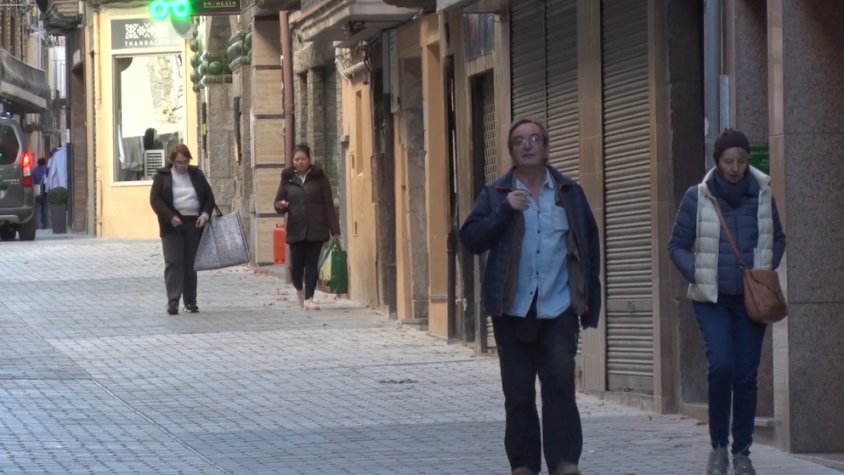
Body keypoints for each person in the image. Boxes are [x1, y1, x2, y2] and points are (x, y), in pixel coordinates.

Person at [460, 119, 601, 475]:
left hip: (558, 308)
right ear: (511, 151)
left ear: (546, 146)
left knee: (559, 387)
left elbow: (589, 246)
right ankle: (523, 464)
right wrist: (505, 210)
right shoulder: (495, 193)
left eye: (534, 139)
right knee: (519, 394)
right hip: (513, 310)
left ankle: (565, 461)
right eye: (520, 141)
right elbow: (472, 239)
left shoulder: (568, 192)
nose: (528, 145)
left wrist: (589, 302)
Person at [668, 129, 786, 475]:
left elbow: (778, 236)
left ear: (748, 162)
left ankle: (742, 452)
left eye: (741, 161)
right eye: (728, 161)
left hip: (751, 300)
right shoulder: (697, 197)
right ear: (717, 162)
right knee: (721, 367)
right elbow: (675, 245)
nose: (735, 168)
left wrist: (766, 268)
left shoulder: (763, 195)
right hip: (712, 299)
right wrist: (697, 273)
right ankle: (718, 447)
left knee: (746, 376)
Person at [150, 144, 216, 315]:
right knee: (173, 262)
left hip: (193, 223)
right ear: (172, 161)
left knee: (190, 264)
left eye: (186, 162)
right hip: (171, 225)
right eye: (179, 162)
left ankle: (191, 302)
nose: (183, 166)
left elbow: (209, 197)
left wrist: (205, 215)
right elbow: (155, 200)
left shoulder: (196, 174)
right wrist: (170, 216)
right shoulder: (162, 176)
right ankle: (173, 300)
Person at [273, 144, 340, 310]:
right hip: (296, 229)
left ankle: (309, 298)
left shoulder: (320, 178)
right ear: (292, 161)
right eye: (297, 159)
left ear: (309, 160)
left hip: (316, 228)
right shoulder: (287, 178)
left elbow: (328, 204)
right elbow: (278, 201)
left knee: (311, 264)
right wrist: (281, 205)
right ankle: (300, 288)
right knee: (296, 268)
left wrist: (335, 230)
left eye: (303, 159)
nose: (300, 162)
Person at [32, 158, 49, 228]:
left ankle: (37, 225)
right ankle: (45, 225)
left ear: (38, 163)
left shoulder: (34, 170)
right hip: (45, 192)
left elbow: (32, 180)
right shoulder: (46, 170)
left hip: (37, 192)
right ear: (44, 162)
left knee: (37, 210)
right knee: (45, 210)